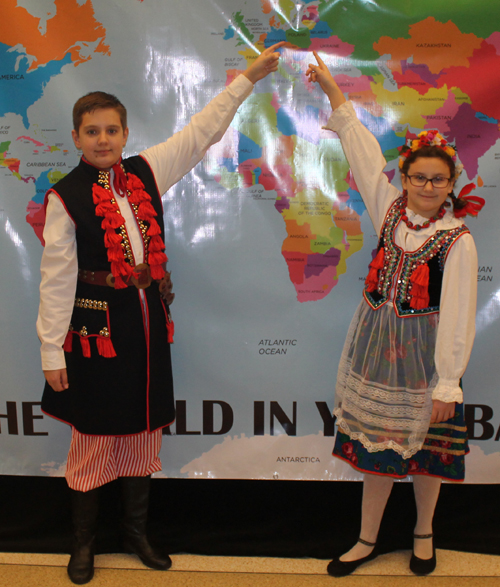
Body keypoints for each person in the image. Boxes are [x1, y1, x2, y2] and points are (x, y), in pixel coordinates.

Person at [37, 41, 285, 585]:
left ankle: (136, 533)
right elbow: (56, 279)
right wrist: (51, 350)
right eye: (92, 131)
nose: (103, 140)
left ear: (125, 134)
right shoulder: (66, 196)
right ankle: (83, 545)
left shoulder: (147, 171)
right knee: (95, 434)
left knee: (143, 431)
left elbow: (202, 131)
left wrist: (246, 78)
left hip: (147, 325)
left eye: (112, 130)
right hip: (96, 330)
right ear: (77, 138)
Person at [306, 51, 483, 577]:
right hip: (376, 351)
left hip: (426, 359)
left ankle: (423, 533)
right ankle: (366, 538)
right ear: (403, 179)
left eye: (438, 180)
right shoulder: (387, 209)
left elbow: (458, 314)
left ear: (451, 185)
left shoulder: (457, 240)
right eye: (419, 178)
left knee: (426, 452)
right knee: (375, 449)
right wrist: (335, 94)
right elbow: (360, 149)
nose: (428, 188)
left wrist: (447, 382)